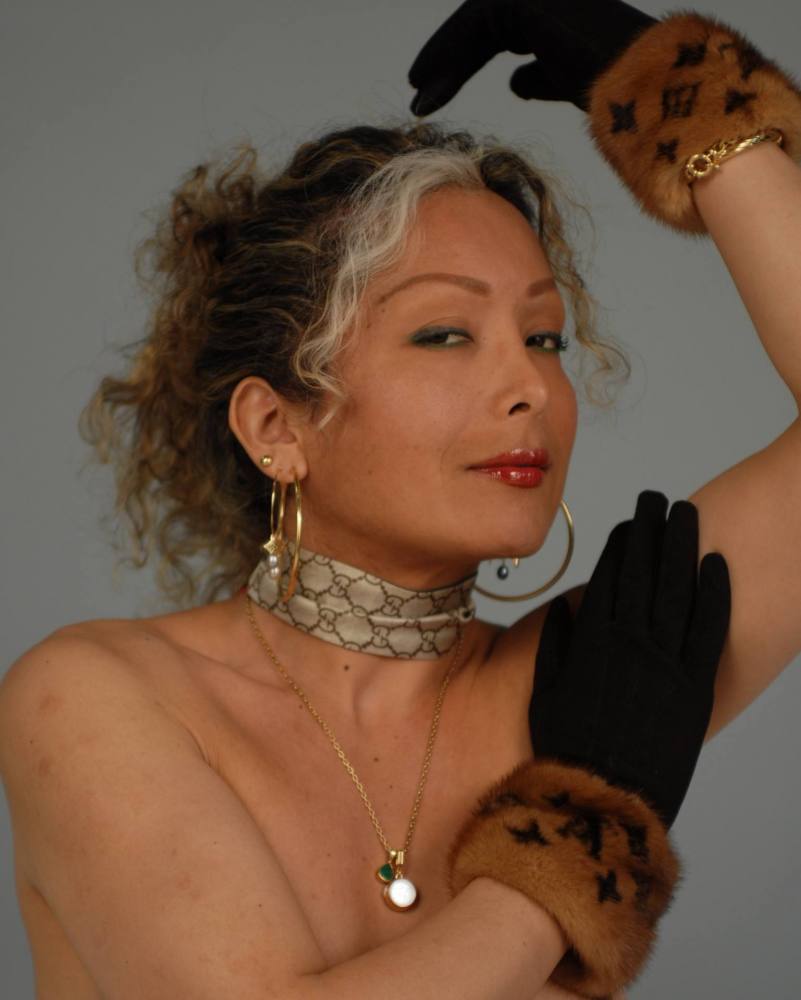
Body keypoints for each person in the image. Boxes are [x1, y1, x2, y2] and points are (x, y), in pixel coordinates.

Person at [0, 0, 799, 996]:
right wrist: (583, 828)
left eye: (543, 338)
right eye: (444, 333)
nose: (530, 385)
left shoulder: (600, 678)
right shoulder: (93, 696)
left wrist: (695, 104)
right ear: (276, 426)